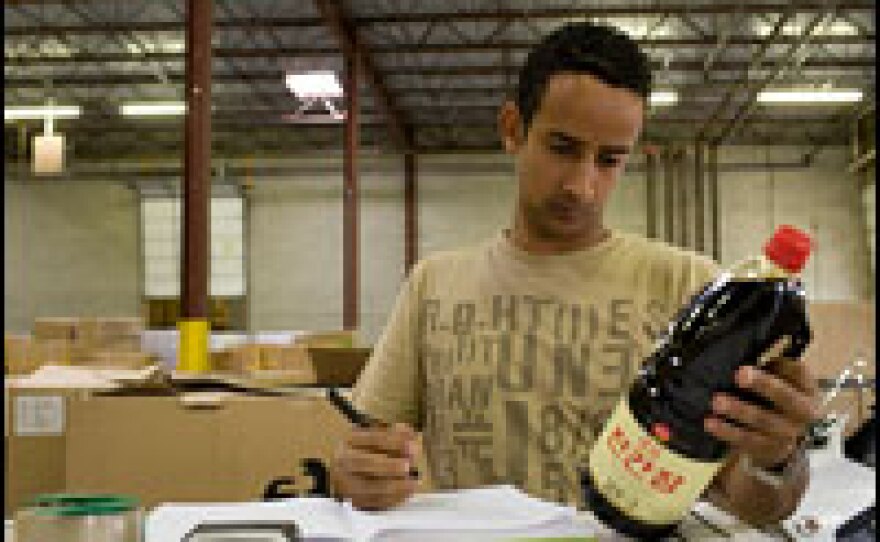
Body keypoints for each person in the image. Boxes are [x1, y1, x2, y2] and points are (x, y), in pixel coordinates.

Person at [331, 20, 818, 527]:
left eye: (609, 160)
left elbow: (755, 504)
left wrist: (776, 458)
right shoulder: (433, 284)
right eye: (562, 148)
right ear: (513, 129)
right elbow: (366, 453)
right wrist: (356, 474)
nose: (582, 186)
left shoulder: (694, 291)